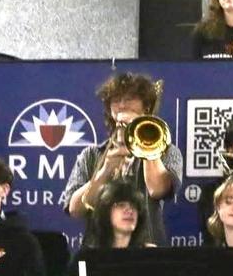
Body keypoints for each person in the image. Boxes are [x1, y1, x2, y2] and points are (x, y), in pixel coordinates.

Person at [63, 71, 183, 245]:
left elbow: (157, 189)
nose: (122, 105)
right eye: (116, 100)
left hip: (148, 250)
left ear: (146, 107)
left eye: (129, 99)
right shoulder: (91, 154)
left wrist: (147, 143)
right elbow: (75, 209)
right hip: (99, 250)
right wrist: (105, 172)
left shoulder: (167, 151)